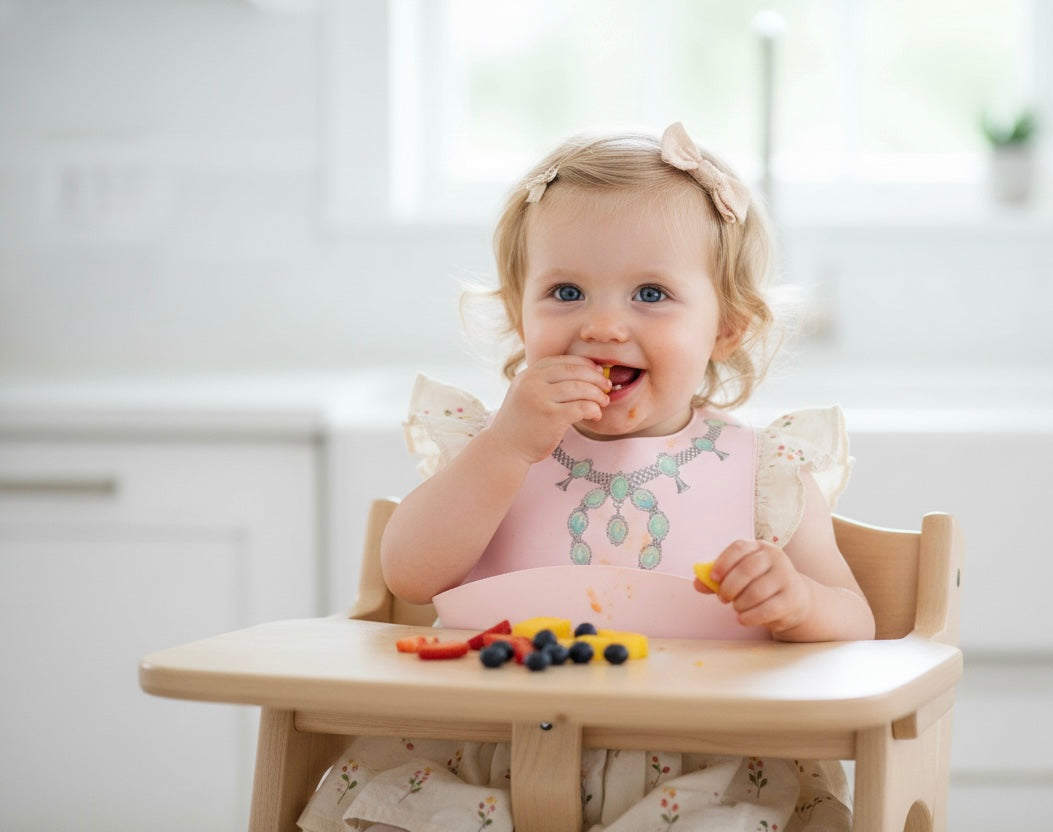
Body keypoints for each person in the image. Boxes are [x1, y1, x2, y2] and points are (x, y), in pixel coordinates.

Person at [298, 122, 875, 832]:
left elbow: (856, 622)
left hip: (702, 769)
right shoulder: (490, 451)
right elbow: (409, 575)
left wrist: (797, 602)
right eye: (566, 292)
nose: (602, 325)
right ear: (519, 313)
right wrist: (507, 446)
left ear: (726, 326)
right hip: (485, 757)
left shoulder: (765, 475)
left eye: (651, 294)